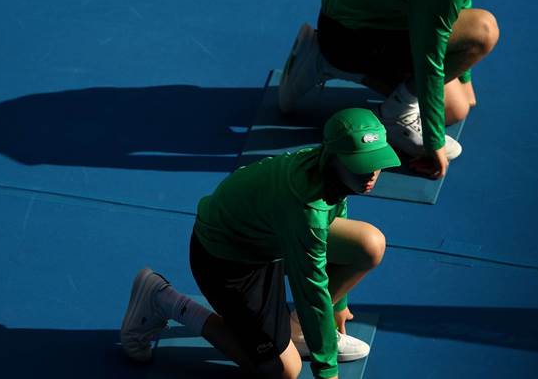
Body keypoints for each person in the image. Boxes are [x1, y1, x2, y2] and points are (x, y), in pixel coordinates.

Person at [121, 108, 401, 379]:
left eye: (375, 162)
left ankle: (297, 332)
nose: (371, 173)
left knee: (369, 244)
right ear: (333, 157)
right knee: (283, 372)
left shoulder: (326, 170)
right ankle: (166, 300)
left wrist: (339, 306)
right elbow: (310, 293)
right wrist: (327, 371)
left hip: (269, 240)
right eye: (360, 165)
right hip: (228, 262)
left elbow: (335, 218)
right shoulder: (306, 210)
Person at [278, 0, 538, 179]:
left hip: (361, 24)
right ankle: (385, 107)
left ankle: (327, 61)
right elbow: (429, 60)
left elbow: (462, 5)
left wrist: (464, 77)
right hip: (351, 39)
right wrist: (434, 144)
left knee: (455, 108)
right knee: (483, 31)